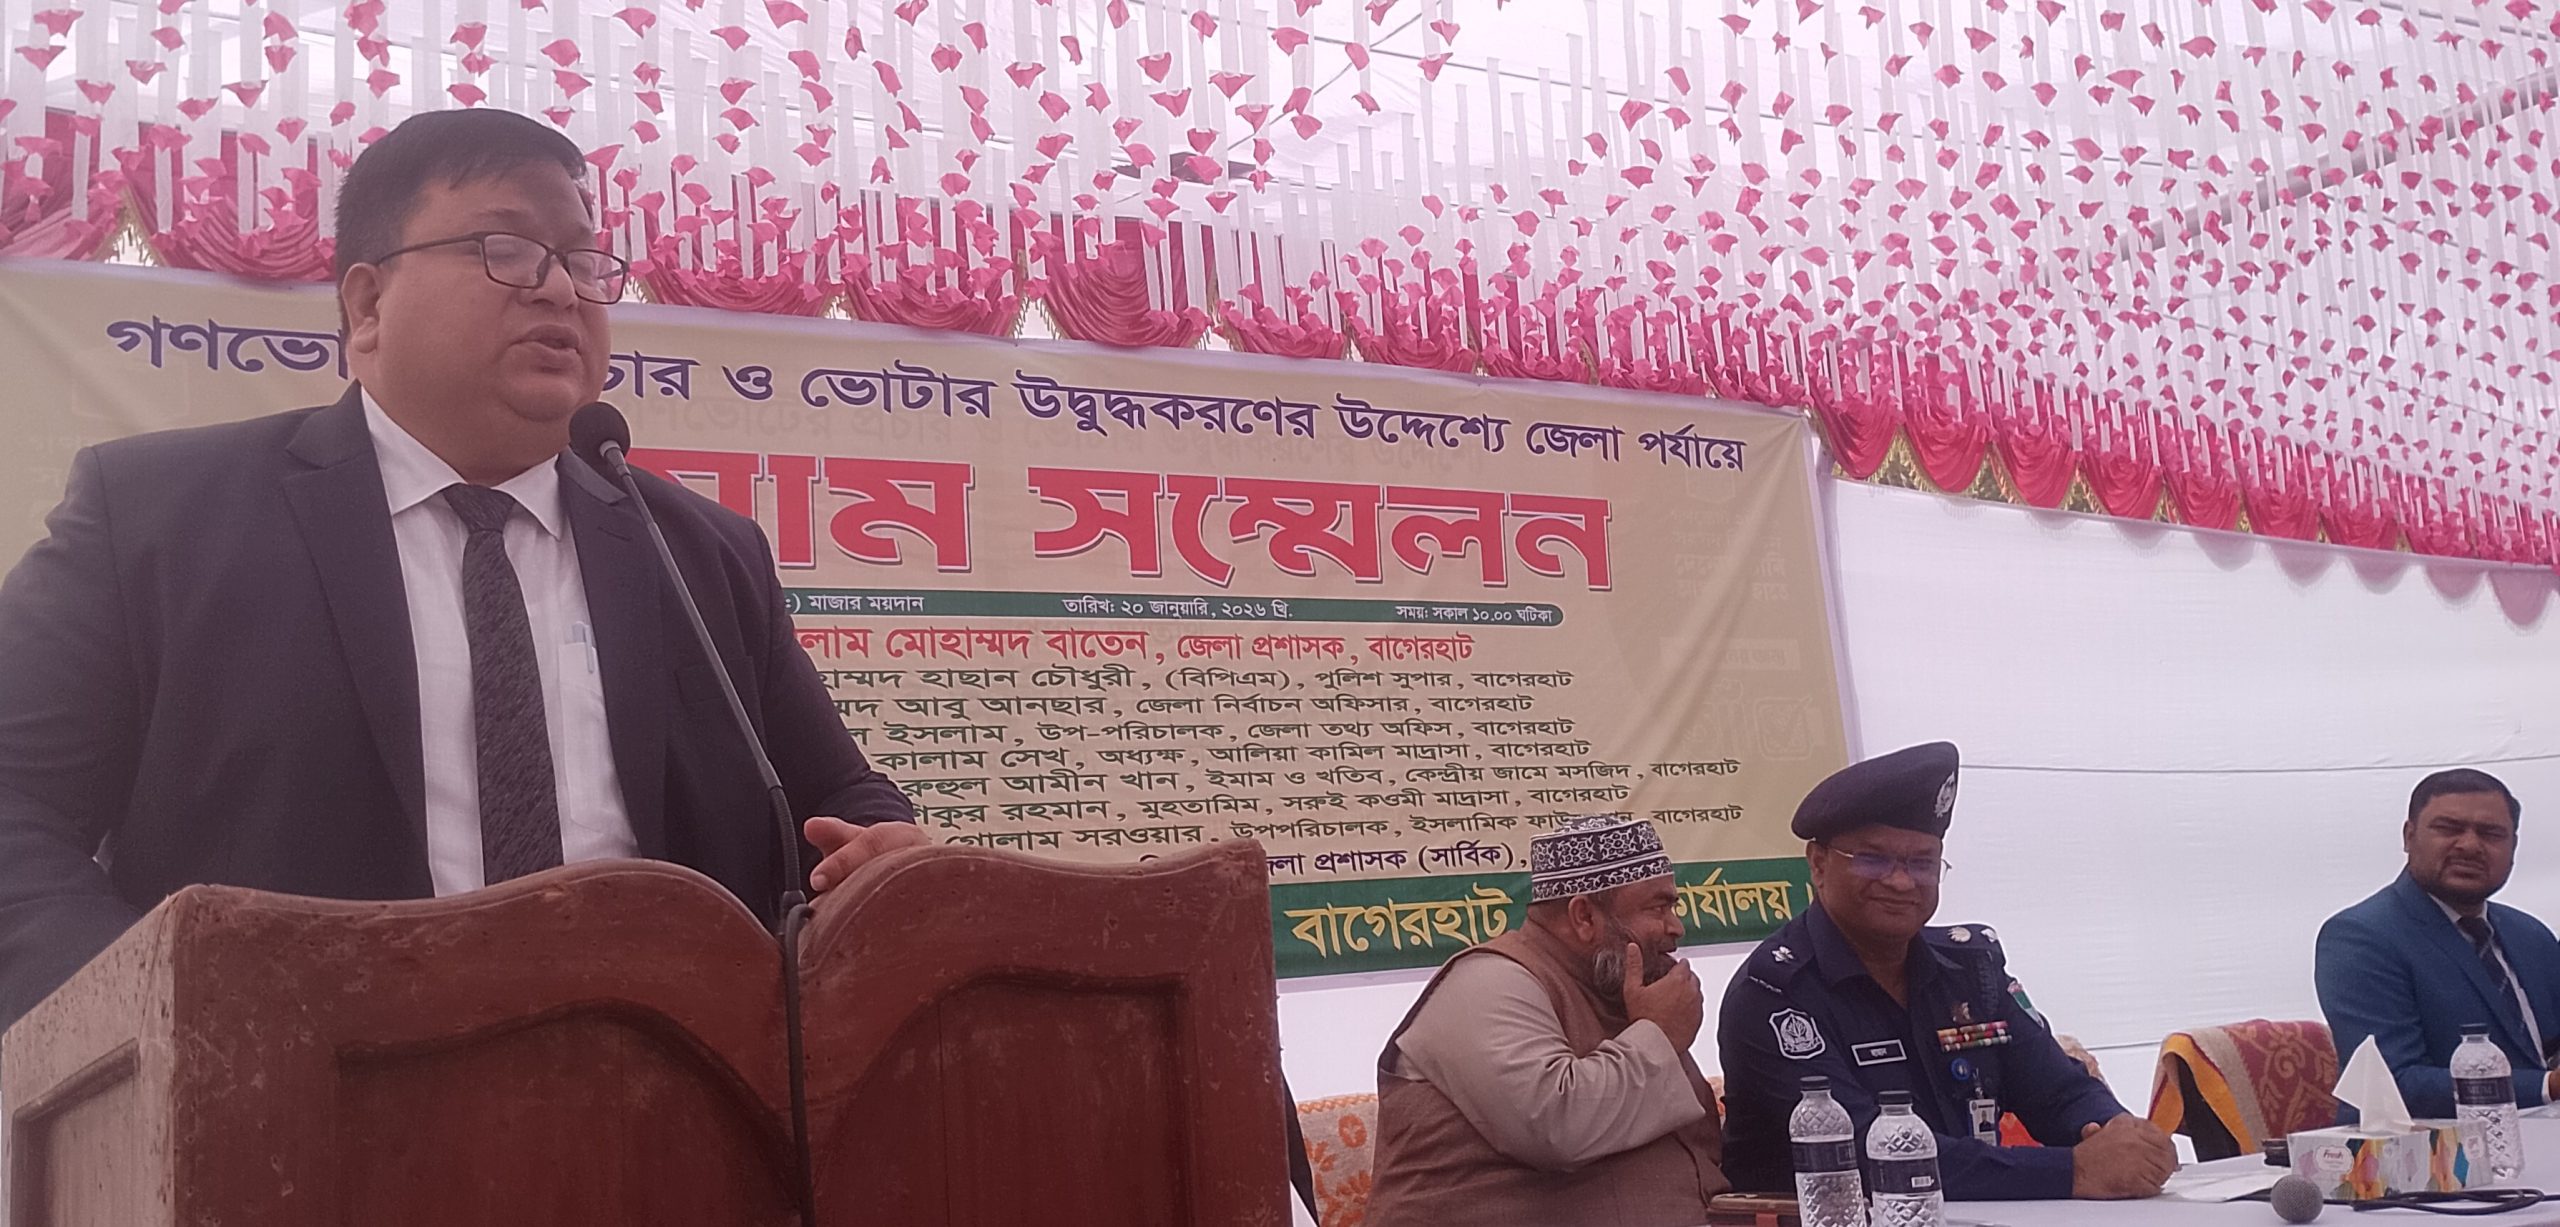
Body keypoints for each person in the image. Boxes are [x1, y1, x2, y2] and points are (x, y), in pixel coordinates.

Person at [0, 108, 920, 1028]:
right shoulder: (158, 516)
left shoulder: (701, 551)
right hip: (294, 1079)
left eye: (583, 261)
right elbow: (18, 804)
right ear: (368, 305)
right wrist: (138, 1011)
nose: (559, 289)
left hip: (668, 1075)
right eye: (506, 249)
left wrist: (880, 858)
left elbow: (839, 798)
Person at [1718, 742, 2175, 1201]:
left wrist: (2119, 1136)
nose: (1901, 881)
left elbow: (2057, 1090)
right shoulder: (1773, 993)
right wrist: (2072, 1171)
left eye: (1922, 862)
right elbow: (1866, 1153)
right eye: (1874, 859)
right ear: (1818, 864)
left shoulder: (1972, 967)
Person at [1366, 815, 1728, 1227]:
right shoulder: (1491, 981)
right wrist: (1659, 1034)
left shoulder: (1617, 990)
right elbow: (1555, 1126)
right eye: (1658, 908)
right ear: (1584, 916)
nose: (1676, 927)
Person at [2316, 768, 2560, 1117]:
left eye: (2491, 833)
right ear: (2409, 836)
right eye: (2448, 828)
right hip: (2429, 1147)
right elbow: (2391, 1083)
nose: (2470, 845)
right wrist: (2546, 1086)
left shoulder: (2530, 934)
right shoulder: (2361, 937)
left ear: (2513, 846)